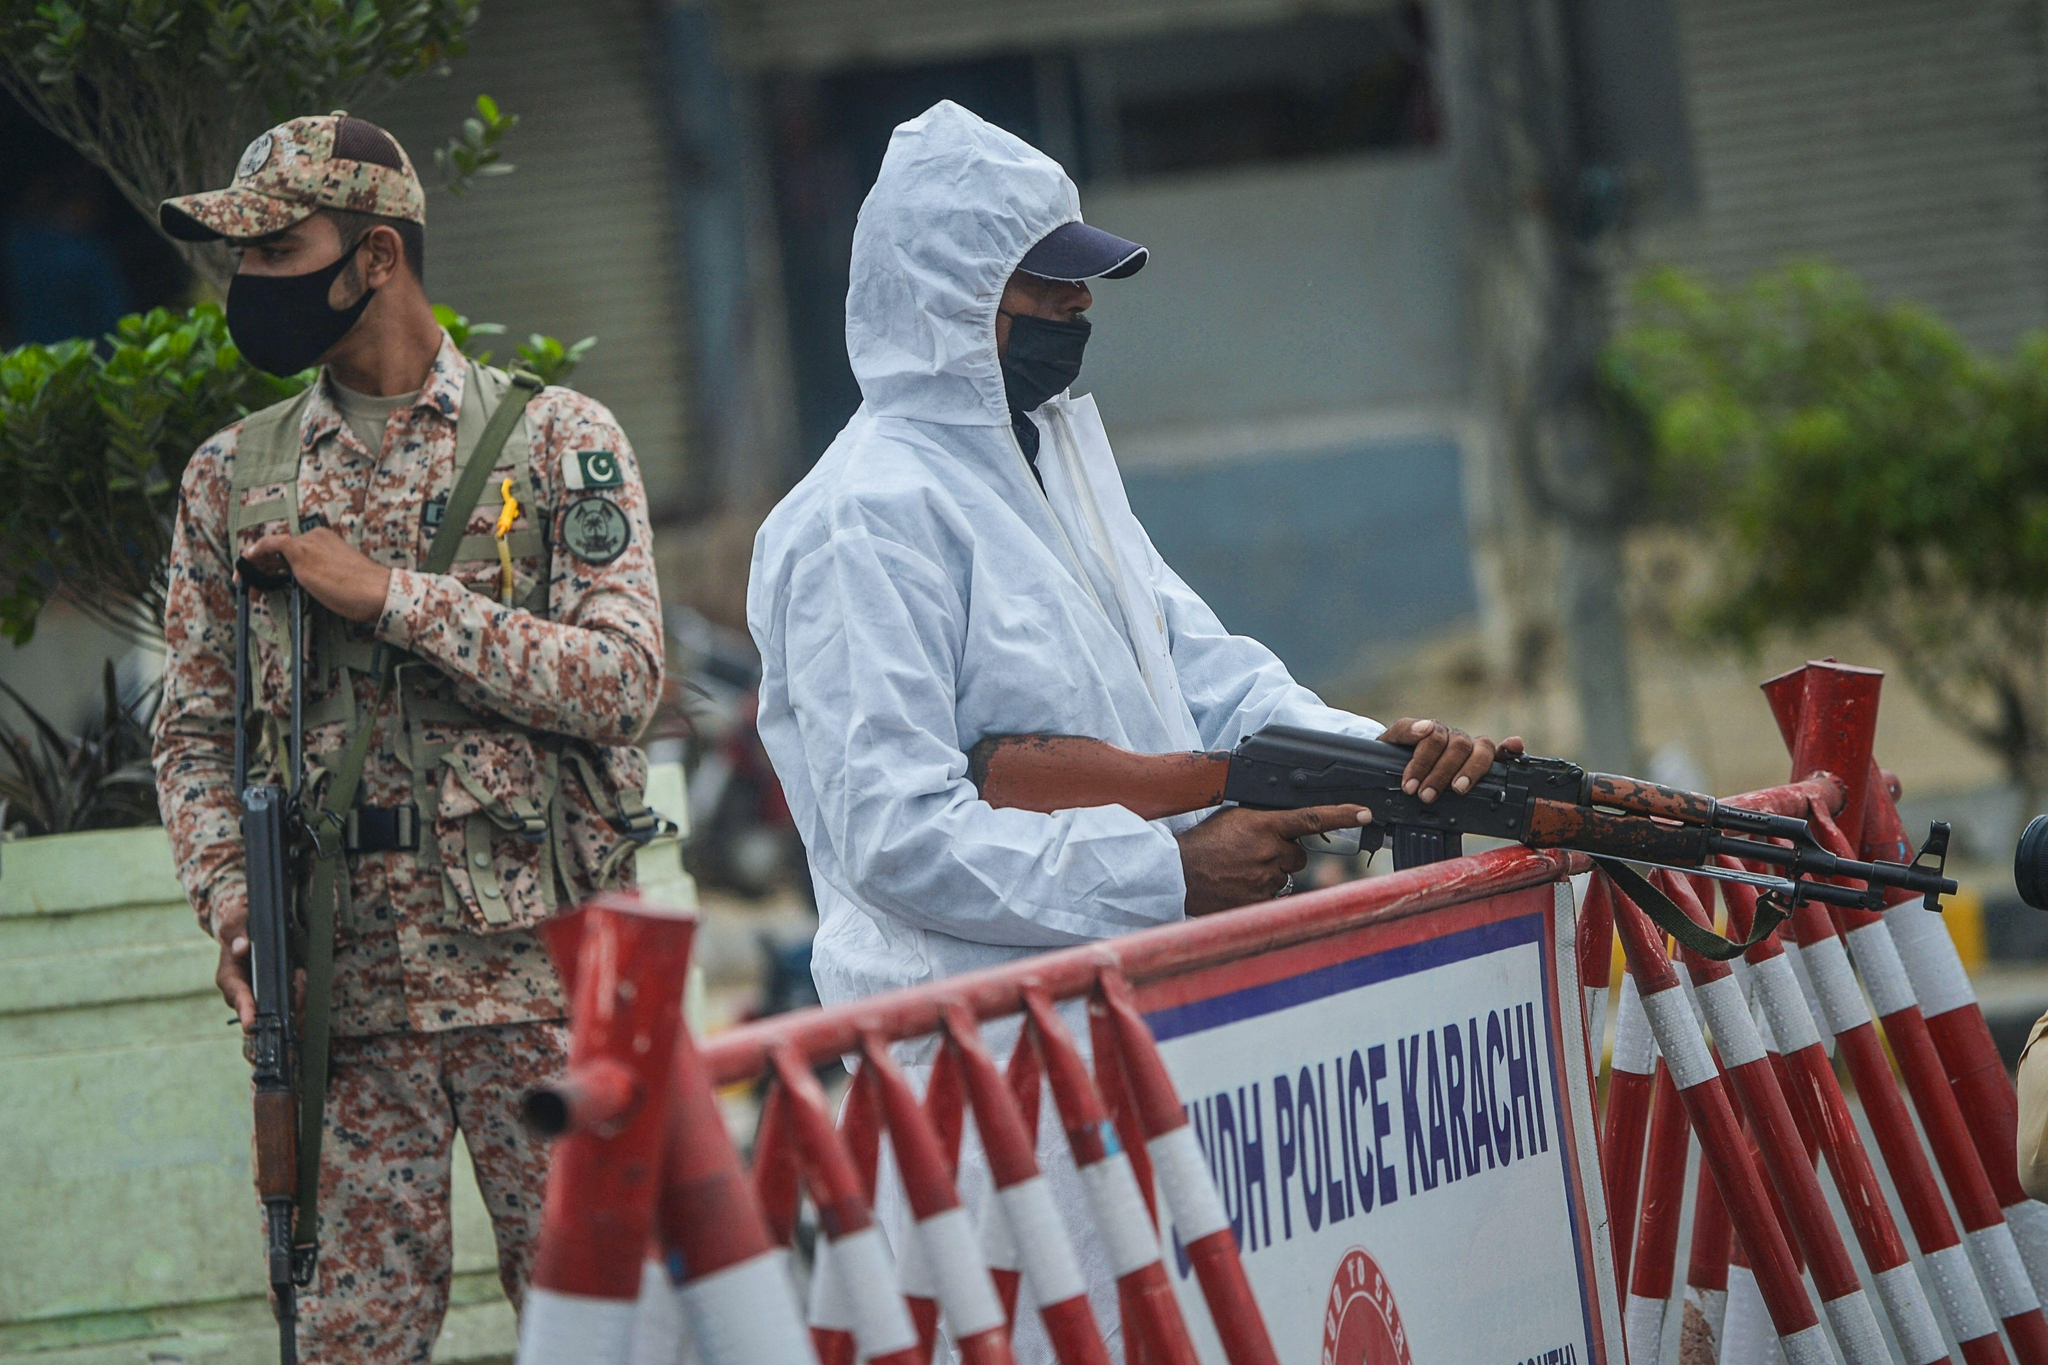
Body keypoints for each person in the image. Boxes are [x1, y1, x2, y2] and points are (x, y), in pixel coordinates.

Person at [747, 100, 1518, 1360]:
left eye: (1076, 288)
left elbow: (1209, 677)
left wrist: (1379, 759)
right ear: (952, 295)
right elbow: (893, 835)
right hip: (973, 1084)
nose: (1076, 315)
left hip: (1136, 1043)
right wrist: (1166, 870)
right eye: (1045, 290)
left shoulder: (1052, 456)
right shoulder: (859, 520)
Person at [151, 113, 663, 1362]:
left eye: (279, 249)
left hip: (547, 984)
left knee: (602, 1330)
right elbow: (196, 729)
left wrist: (395, 595)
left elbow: (622, 681)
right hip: (341, 1002)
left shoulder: (556, 443)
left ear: (375, 256)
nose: (250, 283)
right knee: (347, 1345)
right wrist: (235, 913)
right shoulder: (233, 479)